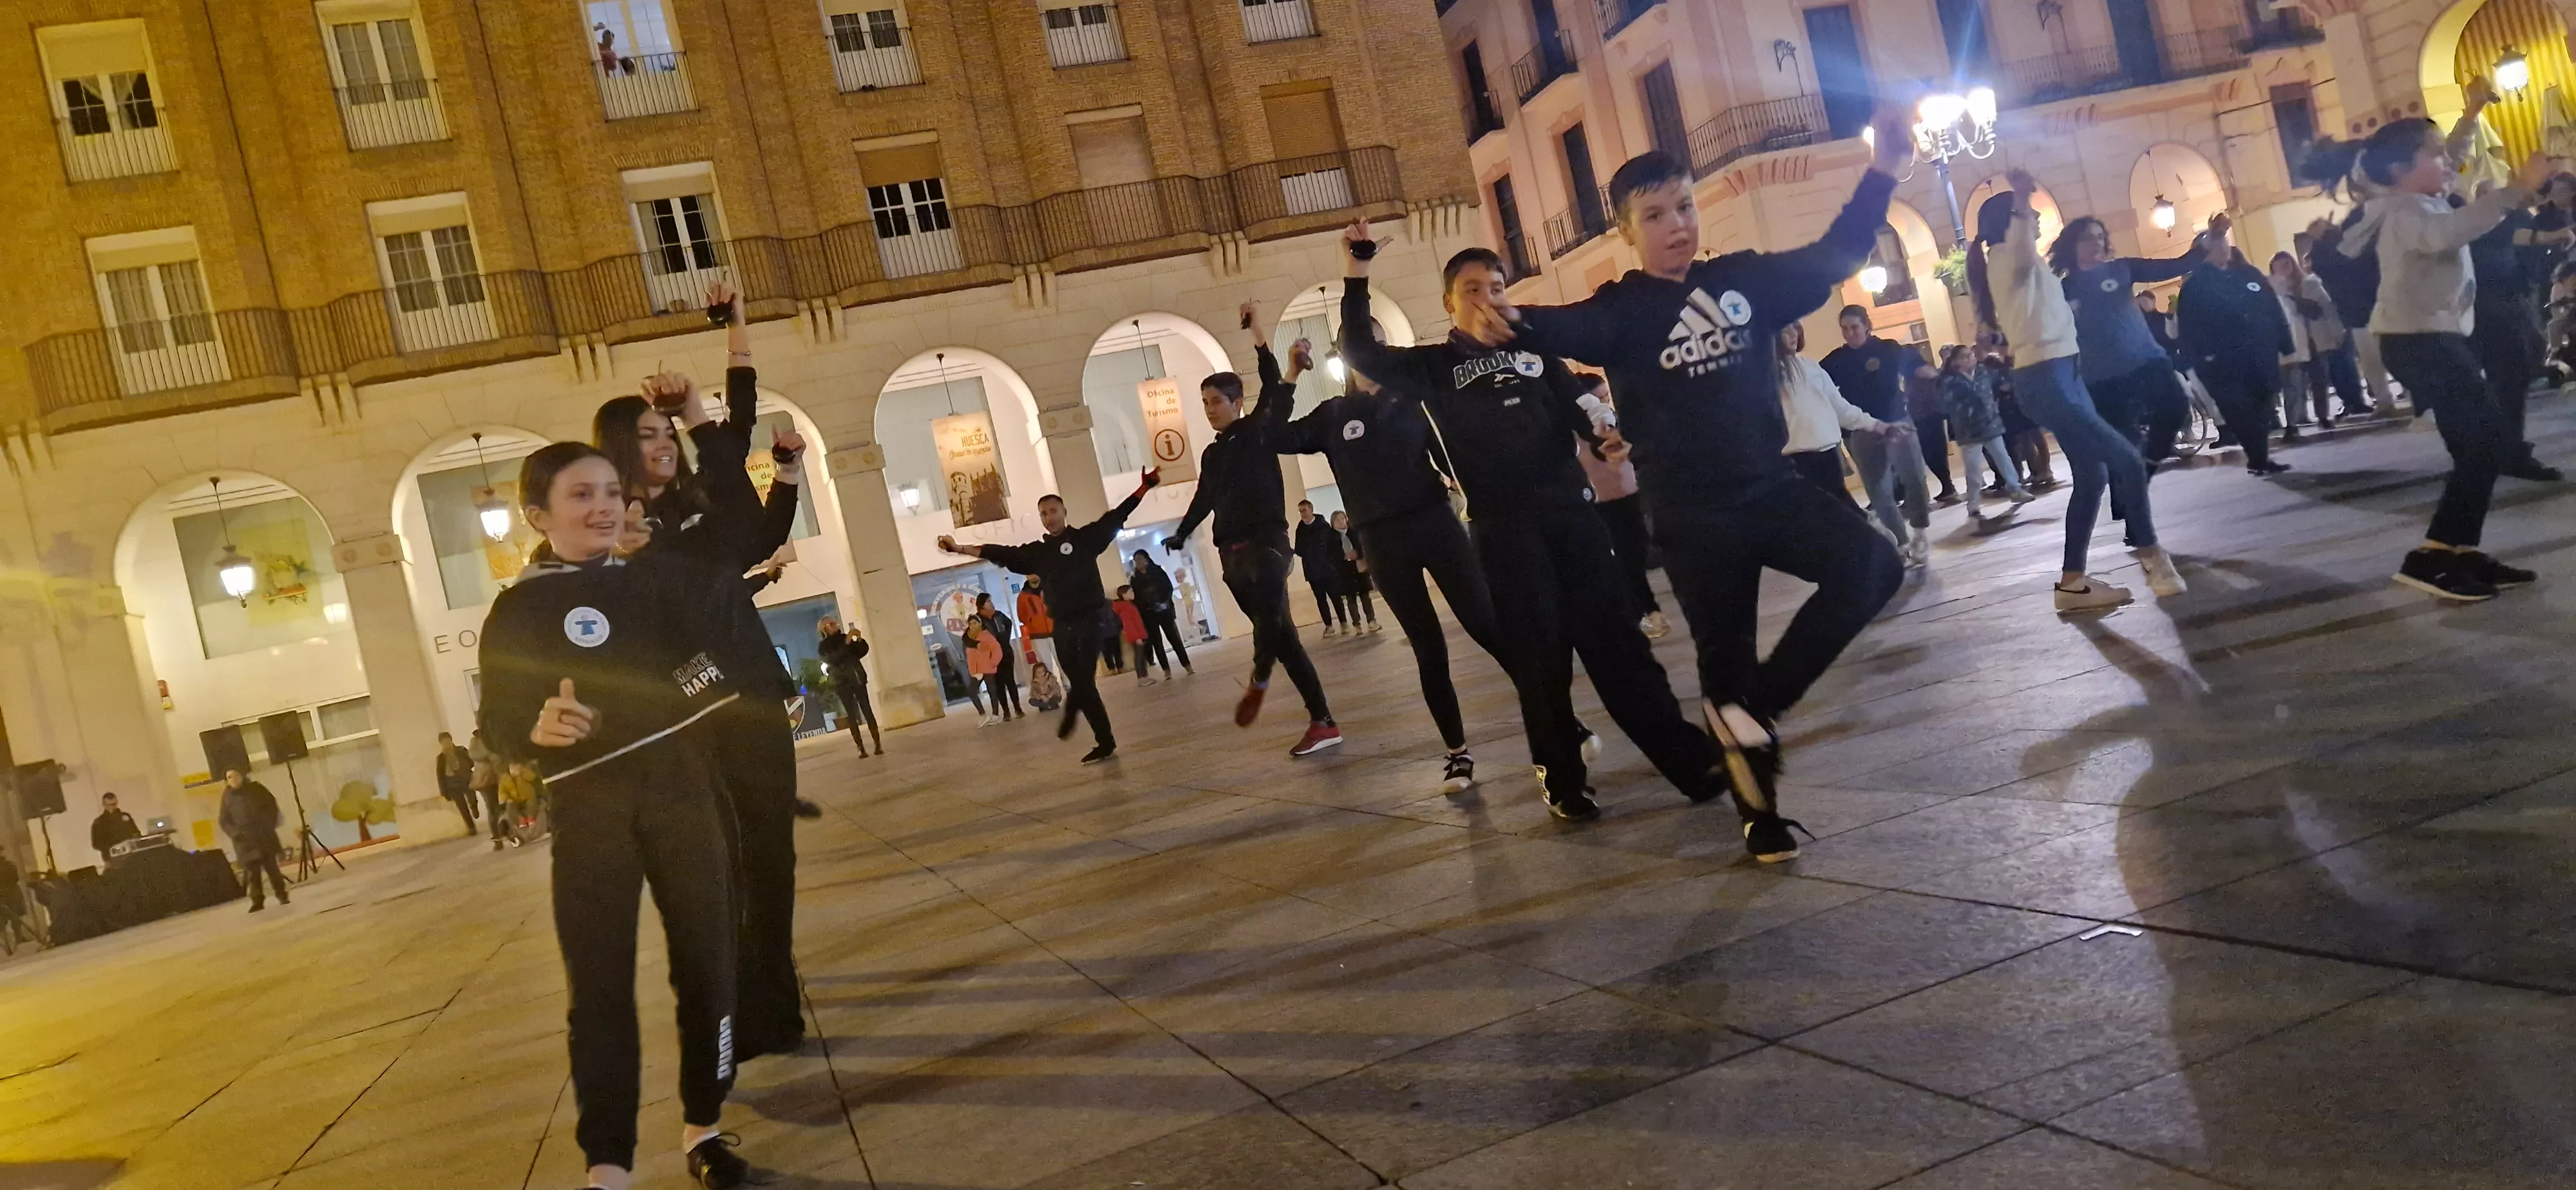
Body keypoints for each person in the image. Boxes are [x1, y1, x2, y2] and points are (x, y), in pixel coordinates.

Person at [1448, 120, 1920, 859]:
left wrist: (1883, 170)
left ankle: (1756, 707)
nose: (1677, 226)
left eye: (1685, 207)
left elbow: (1837, 255)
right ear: (1627, 231)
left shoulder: (1744, 280)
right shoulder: (1623, 309)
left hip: (1769, 487)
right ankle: (1759, 816)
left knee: (1873, 565)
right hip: (1691, 515)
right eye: (1656, 215)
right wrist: (1509, 318)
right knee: (1722, 657)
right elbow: (1562, 326)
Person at [1347, 229, 1727, 823]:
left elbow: (1582, 409)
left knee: (1620, 648)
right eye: (1472, 290)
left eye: (1496, 287)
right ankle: (1562, 778)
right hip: (1505, 534)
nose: (1488, 299)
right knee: (1541, 661)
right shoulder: (1432, 367)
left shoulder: (1537, 354)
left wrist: (1606, 438)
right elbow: (1359, 351)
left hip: (1573, 521)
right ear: (1449, 303)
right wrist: (1356, 272)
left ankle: (1692, 763)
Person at [478, 442, 774, 1190]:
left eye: (611, 491)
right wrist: (536, 729)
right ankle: (606, 1164)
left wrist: (657, 699)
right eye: (581, 495)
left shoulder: (655, 584)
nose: (605, 507)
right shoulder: (516, 611)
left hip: (684, 797)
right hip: (590, 814)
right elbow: (499, 722)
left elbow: (712, 667)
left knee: (707, 965)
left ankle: (704, 1127)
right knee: (598, 987)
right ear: (538, 515)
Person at [591, 278, 808, 1064]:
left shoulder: (700, 506)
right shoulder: (616, 530)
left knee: (770, 857)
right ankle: (737, 1007)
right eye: (646, 436)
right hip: (683, 716)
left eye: (665, 433)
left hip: (749, 696)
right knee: (717, 869)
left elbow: (748, 514)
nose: (661, 444)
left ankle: (772, 1007)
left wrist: (705, 390)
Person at [2306, 114, 2550, 601]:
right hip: (2419, 340)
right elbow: (2449, 232)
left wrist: (2471, 114)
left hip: (2430, 338)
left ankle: (2463, 553)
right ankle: (2431, 558)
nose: (2446, 163)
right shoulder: (2406, 211)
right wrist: (2517, 190)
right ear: (2400, 169)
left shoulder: (2414, 199)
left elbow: (2449, 163)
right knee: (2487, 440)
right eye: (2433, 155)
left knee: (2477, 447)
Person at [1967, 167, 2190, 612]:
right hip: (2048, 379)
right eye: (2028, 213)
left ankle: (2072, 585)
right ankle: (2154, 559)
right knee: (2127, 459)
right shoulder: (2008, 257)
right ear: (2011, 222)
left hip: (2064, 374)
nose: (2036, 218)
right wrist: (2022, 195)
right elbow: (2022, 247)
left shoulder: (2017, 262)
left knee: (2093, 477)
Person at [1165, 303, 1341, 758]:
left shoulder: (1257, 431)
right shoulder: (1212, 454)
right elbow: (1204, 498)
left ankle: (1260, 677)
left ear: (1237, 402)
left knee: (1268, 615)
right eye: (1204, 403)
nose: (1210, 410)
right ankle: (1323, 722)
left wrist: (1261, 335)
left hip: (1268, 544)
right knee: (1283, 637)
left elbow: (1274, 388)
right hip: (1232, 554)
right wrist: (1182, 533)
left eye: (1216, 401)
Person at [942, 473, 1161, 763]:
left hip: (1092, 618)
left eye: (1053, 511)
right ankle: (1105, 741)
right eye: (1044, 514)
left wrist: (1144, 487)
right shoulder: (1039, 553)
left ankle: (1072, 714)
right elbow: (1003, 553)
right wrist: (960, 548)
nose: (1049, 518)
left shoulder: (1086, 539)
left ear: (1064, 512)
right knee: (1082, 683)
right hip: (1062, 625)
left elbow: (1116, 517)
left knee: (1083, 677)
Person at [2049, 212, 2211, 466]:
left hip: (2145, 361)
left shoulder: (2122, 268)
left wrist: (2208, 242)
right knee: (2122, 449)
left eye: (2101, 237)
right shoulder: (2063, 290)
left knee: (2176, 407)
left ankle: (2148, 464)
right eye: (2089, 238)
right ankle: (2134, 475)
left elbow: (2175, 266)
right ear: (2073, 246)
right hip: (2101, 377)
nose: (2098, 243)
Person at [1821, 305, 1940, 562]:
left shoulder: (1889, 349)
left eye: (1854, 327)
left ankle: (1920, 531)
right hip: (1864, 430)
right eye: (1844, 329)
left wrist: (1938, 375)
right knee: (1878, 491)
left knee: (1915, 479)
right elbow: (1818, 386)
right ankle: (1901, 543)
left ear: (1867, 326)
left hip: (1898, 423)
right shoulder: (1836, 360)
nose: (1850, 334)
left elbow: (1917, 367)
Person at [2467, 189, 2562, 480]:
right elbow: (2501, 237)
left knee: (2512, 374)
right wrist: (2546, 237)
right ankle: (2504, 453)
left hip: (2506, 298)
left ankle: (2503, 450)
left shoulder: (2510, 214)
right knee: (2505, 378)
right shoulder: (2483, 215)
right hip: (2492, 301)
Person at [2177, 240, 2295, 476]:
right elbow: (2189, 328)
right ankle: (2258, 457)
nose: (2223, 249)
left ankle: (2259, 456)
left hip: (2260, 353)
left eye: (2225, 244)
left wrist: (2285, 341)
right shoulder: (2195, 286)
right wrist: (2202, 357)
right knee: (2240, 410)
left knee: (2263, 403)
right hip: (2222, 361)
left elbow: (2272, 306)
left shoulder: (2248, 273)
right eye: (2216, 246)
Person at [1569, 382, 1669, 638]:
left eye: (1606, 396)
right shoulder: (1576, 424)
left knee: (1637, 552)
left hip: (1629, 494)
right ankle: (1645, 612)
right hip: (1599, 502)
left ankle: (1644, 612)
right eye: (1599, 396)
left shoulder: (1612, 421)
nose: (1605, 401)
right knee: (1625, 559)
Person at [1776, 322, 1889, 513]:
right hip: (1795, 458)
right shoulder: (1767, 375)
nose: (1793, 334)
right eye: (1785, 330)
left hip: (1828, 452)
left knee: (1842, 509)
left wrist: (1875, 425)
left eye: (1795, 328)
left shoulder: (1812, 367)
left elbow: (1840, 408)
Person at [1937, 345, 2036, 521]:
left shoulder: (1984, 372)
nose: (1971, 359)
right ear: (1957, 361)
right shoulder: (1950, 381)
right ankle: (1974, 504)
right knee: (1974, 468)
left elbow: (2002, 383)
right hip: (1969, 430)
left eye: (1971, 355)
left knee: (2003, 459)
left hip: (1991, 425)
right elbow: (1945, 404)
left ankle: (2015, 489)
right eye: (1966, 357)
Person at [2268, 250, 2325, 437]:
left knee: (2317, 379)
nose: (2284, 270)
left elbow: (2318, 309)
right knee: (2292, 383)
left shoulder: (2306, 284)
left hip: (2312, 338)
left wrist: (2295, 297)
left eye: (2287, 265)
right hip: (2289, 342)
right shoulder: (2271, 288)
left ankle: (2321, 416)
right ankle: (2293, 423)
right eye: (2279, 267)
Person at [217, 769, 288, 912]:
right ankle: (257, 901)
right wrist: (236, 833)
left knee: (272, 869)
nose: (233, 780)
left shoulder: (257, 789)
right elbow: (224, 820)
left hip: (264, 837)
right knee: (252, 874)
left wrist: (268, 825)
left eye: (235, 776)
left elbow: (272, 806)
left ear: (242, 776)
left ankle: (282, 895)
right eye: (229, 777)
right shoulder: (227, 797)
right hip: (244, 842)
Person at [816, 618, 880, 756]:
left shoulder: (845, 637)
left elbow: (861, 652)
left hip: (857, 678)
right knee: (851, 714)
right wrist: (847, 642)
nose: (836, 625)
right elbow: (833, 659)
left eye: (836, 623)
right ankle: (860, 747)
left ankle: (877, 743)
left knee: (867, 709)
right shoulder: (824, 647)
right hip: (841, 682)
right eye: (832, 624)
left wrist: (859, 639)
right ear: (824, 629)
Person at [1127, 550, 1193, 675]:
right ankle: (1166, 670)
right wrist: (1146, 606)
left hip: (1164, 610)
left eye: (1141, 559)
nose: (1139, 563)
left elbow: (1168, 587)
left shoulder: (1158, 571)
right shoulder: (1135, 578)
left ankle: (1187, 665)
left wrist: (1163, 602)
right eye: (1136, 561)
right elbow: (1137, 597)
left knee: (1174, 638)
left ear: (1147, 559)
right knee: (1157, 642)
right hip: (1148, 613)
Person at [1291, 499, 1347, 636]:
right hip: (1312, 570)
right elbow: (1299, 549)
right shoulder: (1301, 529)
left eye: (1304, 510)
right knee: (1321, 599)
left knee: (1335, 596)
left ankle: (1344, 623)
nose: (1302, 514)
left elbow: (1332, 545)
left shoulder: (1323, 525)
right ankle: (1329, 626)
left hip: (1327, 568)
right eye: (1300, 511)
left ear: (1311, 509)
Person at [974, 592, 1025, 717]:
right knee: (999, 684)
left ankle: (1018, 709)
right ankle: (1006, 712)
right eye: (988, 601)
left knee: (1010, 681)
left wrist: (1005, 638)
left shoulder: (998, 615)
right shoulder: (978, 620)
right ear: (982, 605)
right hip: (991, 656)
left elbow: (1009, 624)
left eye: (991, 601)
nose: (991, 603)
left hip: (1006, 652)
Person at [1327, 509, 1379, 632]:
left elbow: (1363, 546)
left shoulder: (1354, 532)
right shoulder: (1330, 537)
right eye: (1338, 520)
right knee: (1351, 598)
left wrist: (1358, 554)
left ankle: (1371, 621)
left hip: (1359, 567)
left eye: (1343, 518)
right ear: (1333, 523)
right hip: (1344, 570)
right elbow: (1330, 555)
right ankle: (1357, 624)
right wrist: (1343, 556)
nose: (1341, 522)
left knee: (1365, 596)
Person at [1110, 586, 1158, 684]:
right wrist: (1137, 637)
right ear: (1124, 595)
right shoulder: (1126, 608)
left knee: (1142, 657)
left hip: (1138, 635)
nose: (1133, 593)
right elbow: (1129, 625)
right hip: (1136, 636)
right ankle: (1141, 678)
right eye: (1130, 592)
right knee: (1139, 657)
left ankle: (1145, 677)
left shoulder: (1129, 605)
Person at [435, 730, 478, 833]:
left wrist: (466, 768)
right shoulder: (441, 758)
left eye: (447, 741)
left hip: (466, 780)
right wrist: (443, 791)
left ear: (451, 740)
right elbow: (440, 775)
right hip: (452, 785)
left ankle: (474, 807)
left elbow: (471, 761)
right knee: (462, 807)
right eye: (444, 742)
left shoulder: (461, 750)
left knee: (472, 798)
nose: (446, 744)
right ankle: (471, 828)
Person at [1016, 576, 1057, 675]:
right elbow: (1022, 616)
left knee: (1064, 663)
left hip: (1056, 632)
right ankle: (1049, 685)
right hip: (1037, 636)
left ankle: (1069, 684)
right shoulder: (1023, 596)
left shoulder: (1050, 588)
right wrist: (1033, 622)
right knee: (1046, 667)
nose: (1032, 576)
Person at [469, 729, 502, 844]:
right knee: (492, 806)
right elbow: (474, 755)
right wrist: (491, 755)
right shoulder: (475, 741)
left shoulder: (494, 737)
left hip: (498, 776)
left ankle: (504, 829)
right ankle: (495, 833)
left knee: (501, 805)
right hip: (485, 779)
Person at [90, 791, 140, 858]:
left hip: (131, 854)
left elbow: (136, 832)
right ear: (104, 805)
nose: (113, 807)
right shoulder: (99, 822)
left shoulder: (125, 816)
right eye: (110, 805)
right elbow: (96, 844)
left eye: (115, 804)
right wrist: (112, 846)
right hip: (112, 857)